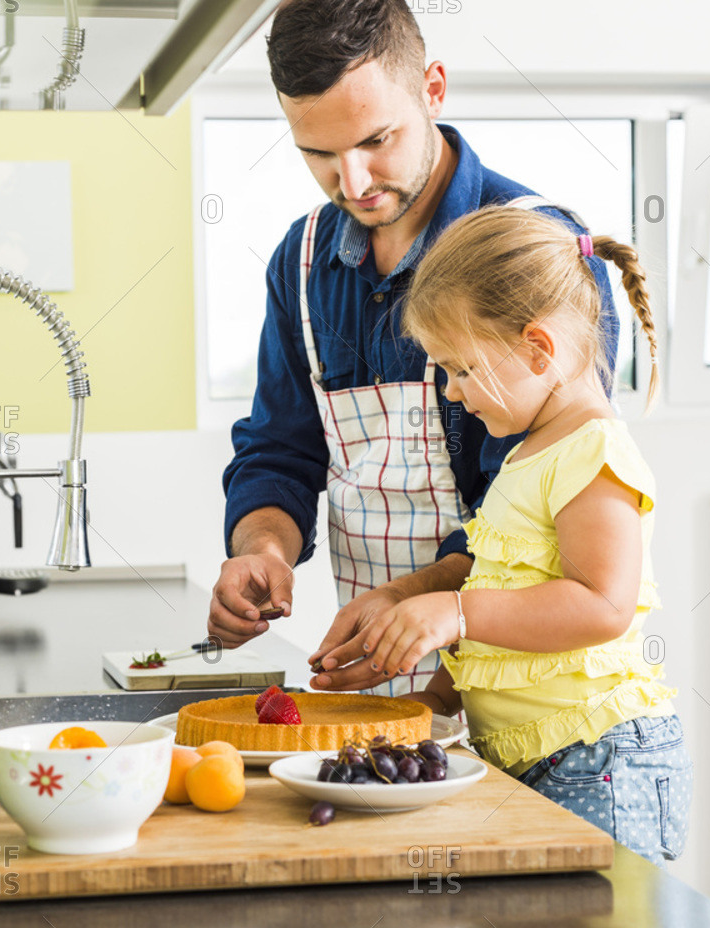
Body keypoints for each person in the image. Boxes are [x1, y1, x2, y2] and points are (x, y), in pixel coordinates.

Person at [209, 0, 620, 697]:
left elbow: (528, 513)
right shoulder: (300, 262)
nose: (355, 182)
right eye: (318, 153)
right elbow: (281, 448)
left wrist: (412, 600)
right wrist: (262, 549)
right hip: (380, 679)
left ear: (433, 88)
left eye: (376, 140)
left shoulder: (534, 254)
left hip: (513, 689)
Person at [353, 205, 689, 865]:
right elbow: (503, 593)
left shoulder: (593, 451)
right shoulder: (528, 451)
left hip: (600, 756)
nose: (451, 391)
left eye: (462, 368)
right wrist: (436, 704)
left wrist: (453, 610)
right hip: (542, 756)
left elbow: (602, 603)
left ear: (538, 348)